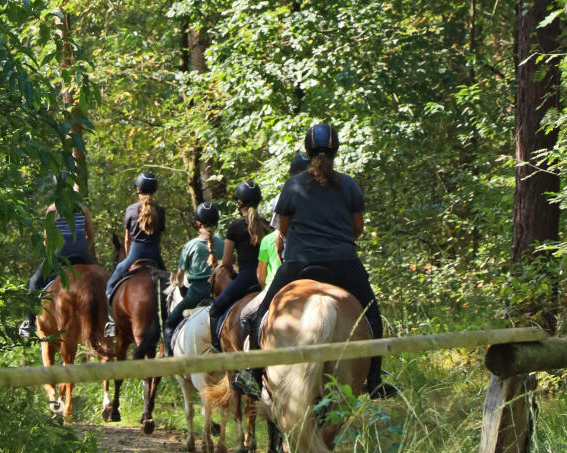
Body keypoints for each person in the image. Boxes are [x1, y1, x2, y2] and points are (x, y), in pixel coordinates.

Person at [238, 122, 396, 398]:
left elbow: (284, 228)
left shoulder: (293, 185)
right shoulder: (349, 185)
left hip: (300, 263)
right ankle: (374, 379)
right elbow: (357, 228)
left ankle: (252, 375)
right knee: (372, 313)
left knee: (260, 313)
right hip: (344, 264)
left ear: (308, 151)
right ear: (336, 151)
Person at [19, 182, 97, 341]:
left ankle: (30, 323)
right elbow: (91, 235)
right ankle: (110, 319)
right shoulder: (83, 208)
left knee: (34, 283)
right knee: (104, 281)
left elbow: (47, 241)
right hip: (82, 251)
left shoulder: (53, 209)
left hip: (61, 253)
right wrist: (84, 249)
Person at [209, 181, 269, 349]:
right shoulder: (268, 226)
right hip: (266, 278)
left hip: (246, 278)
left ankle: (217, 347)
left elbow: (227, 263)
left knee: (215, 309)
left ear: (239, 203)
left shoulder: (235, 227)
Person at [163, 204, 225, 353]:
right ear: (216, 222)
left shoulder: (190, 246)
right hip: (219, 293)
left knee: (170, 322)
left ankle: (168, 357)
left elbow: (179, 275)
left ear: (198, 223)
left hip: (195, 293)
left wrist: (182, 288)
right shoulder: (223, 244)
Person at [105, 171, 167, 319]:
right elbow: (159, 238)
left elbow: (127, 239)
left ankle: (111, 322)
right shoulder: (160, 211)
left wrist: (128, 258)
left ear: (138, 189)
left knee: (110, 284)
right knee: (170, 286)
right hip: (155, 254)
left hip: (135, 253)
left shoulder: (131, 209)